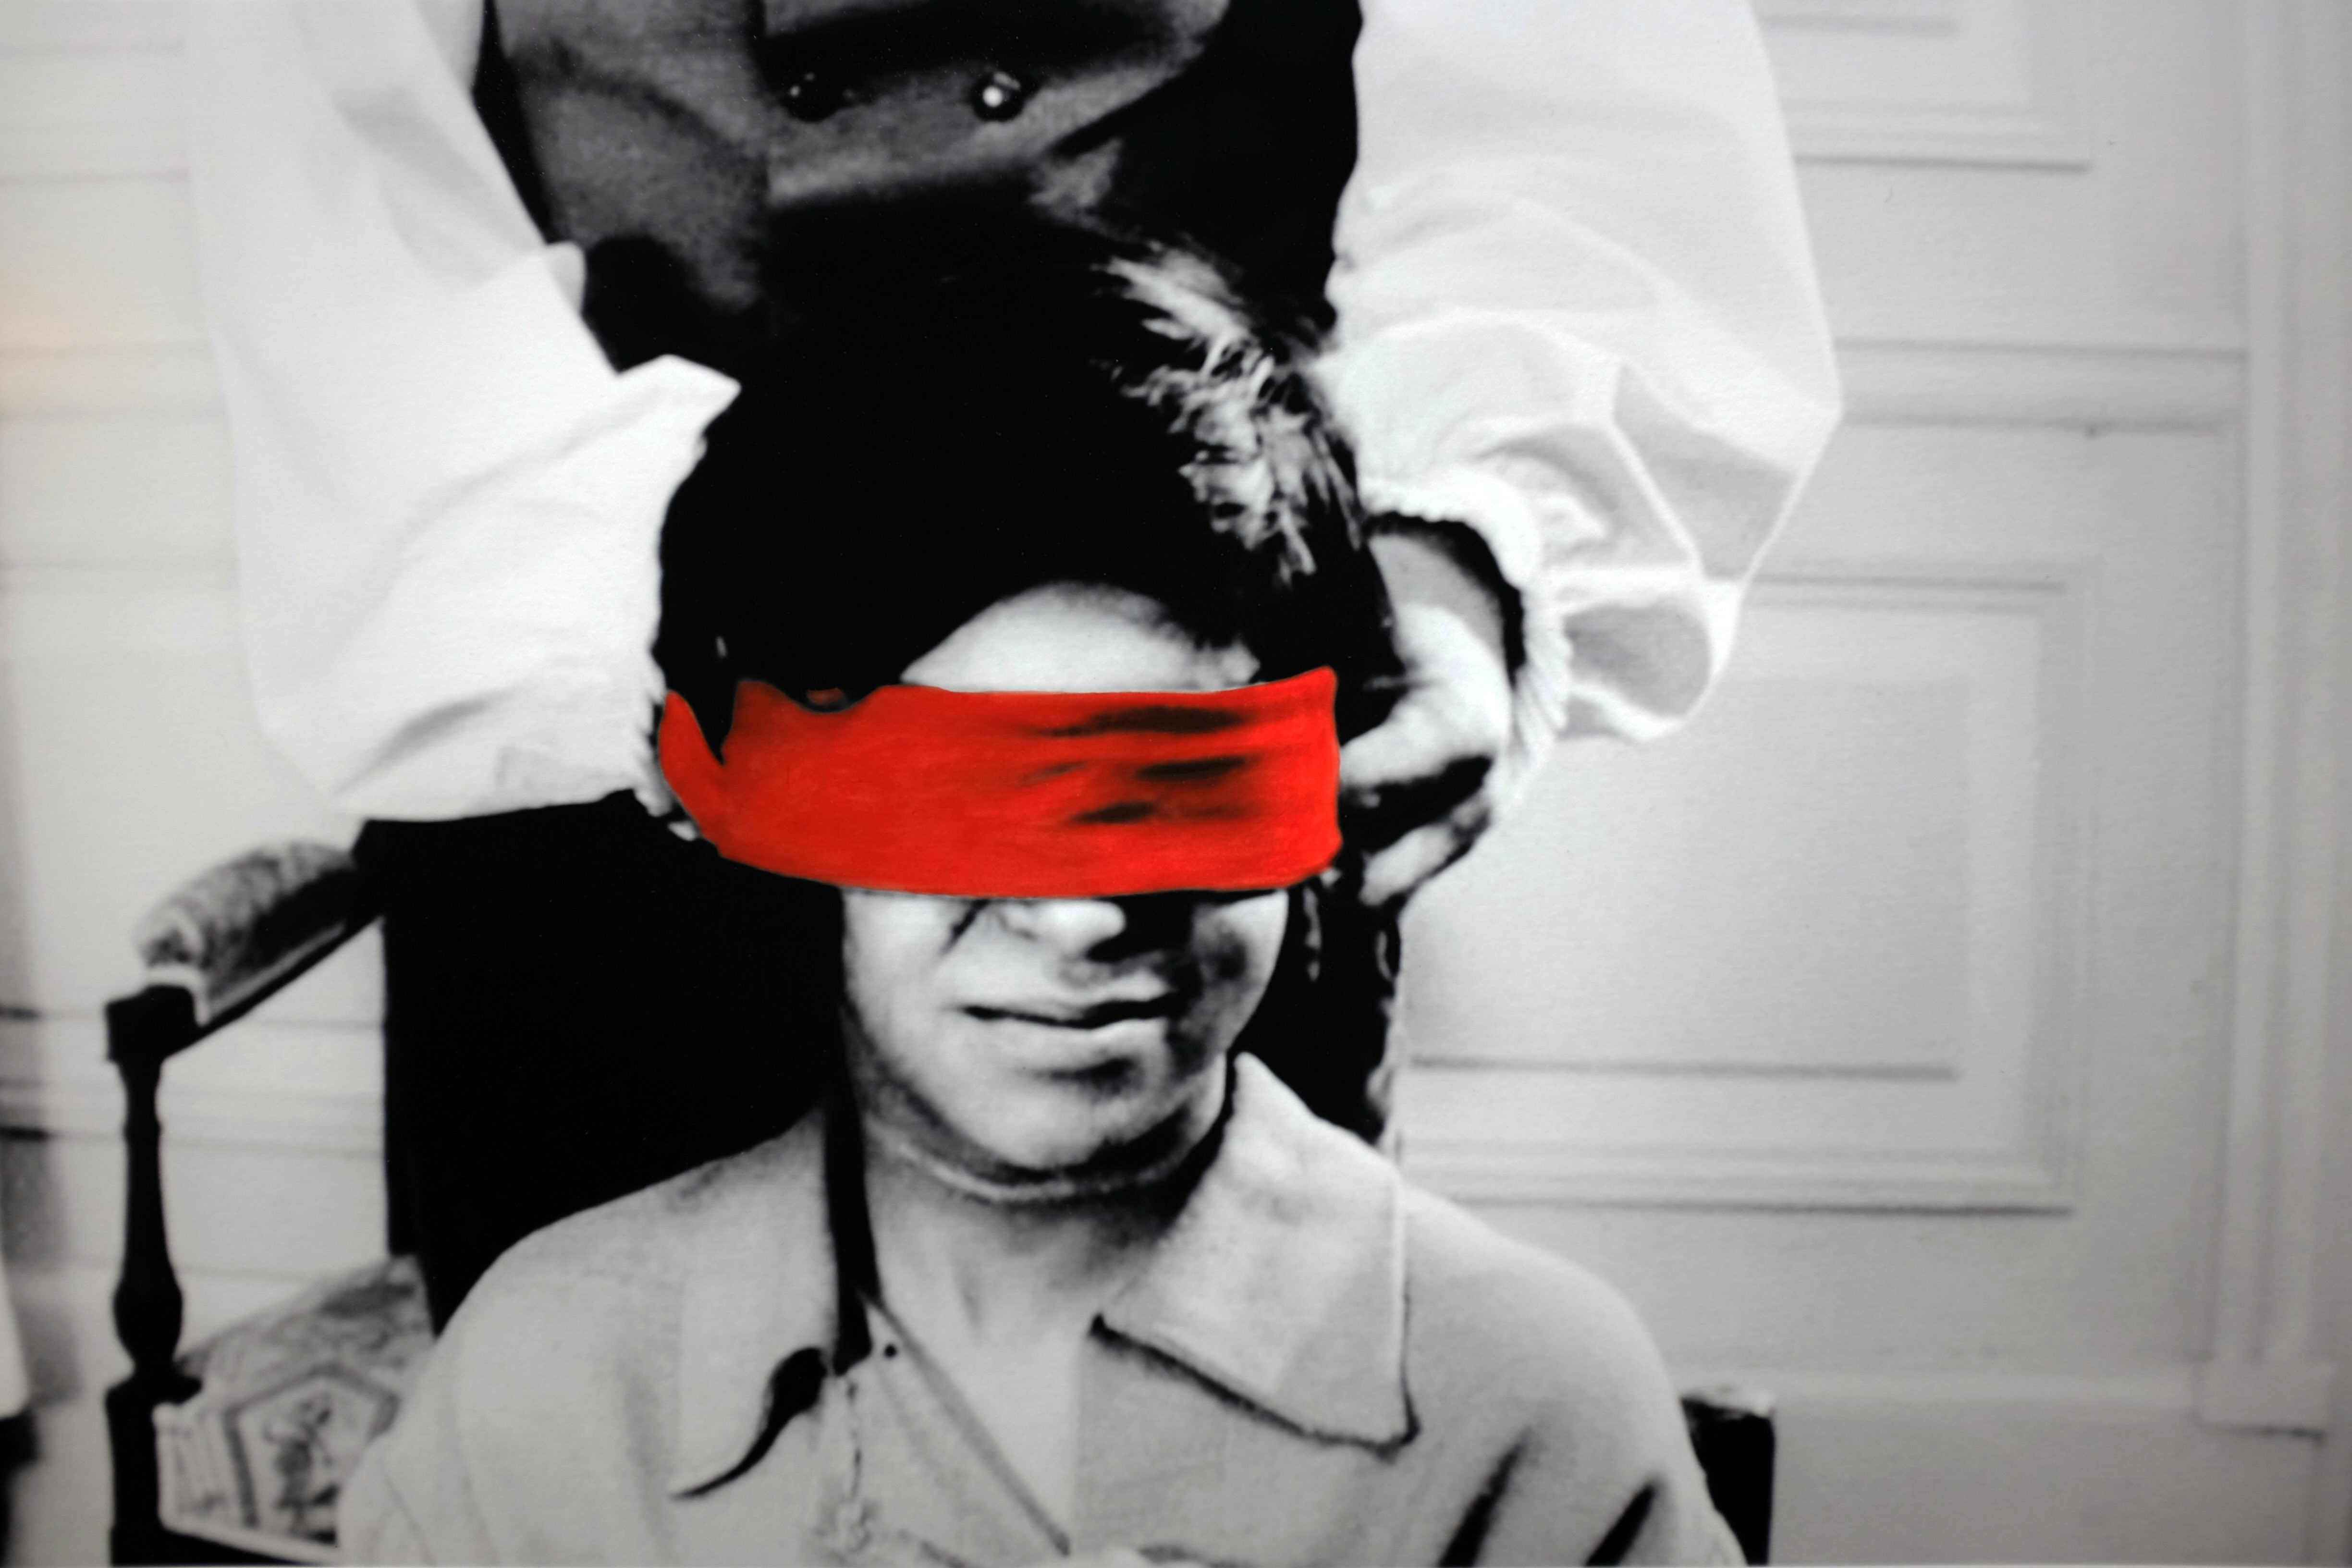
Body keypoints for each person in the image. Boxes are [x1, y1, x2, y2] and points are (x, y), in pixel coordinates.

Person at [184, 0, 1842, 1320]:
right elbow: (335, 209)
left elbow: (1591, 144)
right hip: (589, 790)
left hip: (1195, 768)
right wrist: (711, 653)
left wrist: (1462, 556)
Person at [339, 224, 1737, 1568]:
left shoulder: (1530, 1414)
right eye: (960, 803)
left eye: (1185, 788)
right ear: (724, 792)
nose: (1082, 918)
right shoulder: (543, 1396)